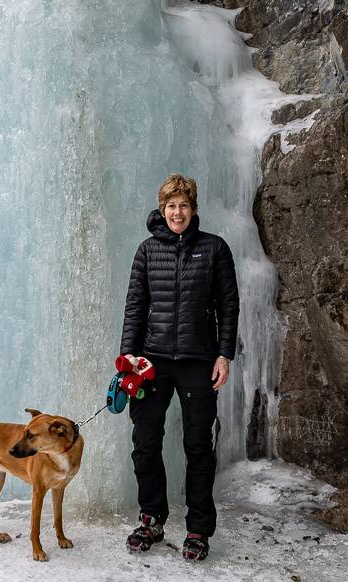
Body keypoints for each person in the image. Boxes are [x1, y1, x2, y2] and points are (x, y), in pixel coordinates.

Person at [119, 173, 239, 561]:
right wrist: (128, 359)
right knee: (145, 444)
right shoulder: (147, 251)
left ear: (194, 209)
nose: (177, 212)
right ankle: (152, 518)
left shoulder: (215, 249)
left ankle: (198, 529)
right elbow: (135, 307)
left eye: (184, 205)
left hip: (198, 361)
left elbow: (228, 305)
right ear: (162, 209)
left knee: (198, 446)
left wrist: (224, 355)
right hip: (151, 362)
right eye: (171, 206)